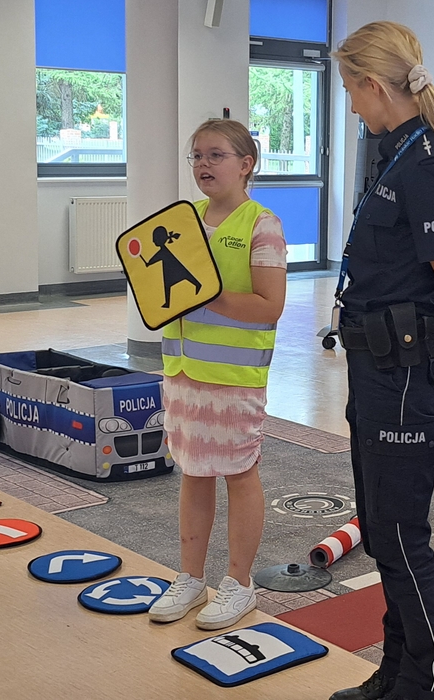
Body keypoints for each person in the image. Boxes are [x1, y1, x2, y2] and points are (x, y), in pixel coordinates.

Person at [328, 21, 434, 700]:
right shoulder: (397, 154)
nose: (351, 106)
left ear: (372, 84)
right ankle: (395, 672)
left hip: (403, 373)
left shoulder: (423, 166)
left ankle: (425, 682)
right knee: (380, 532)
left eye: (350, 92)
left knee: (398, 535)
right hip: (376, 366)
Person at [148, 119, 288, 631]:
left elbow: (270, 306)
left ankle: (238, 584)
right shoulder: (183, 223)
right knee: (193, 471)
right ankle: (190, 577)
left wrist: (209, 295)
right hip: (182, 371)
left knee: (239, 473)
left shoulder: (262, 225)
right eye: (197, 156)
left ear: (246, 164)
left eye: (216, 155)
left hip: (234, 377)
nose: (203, 164)